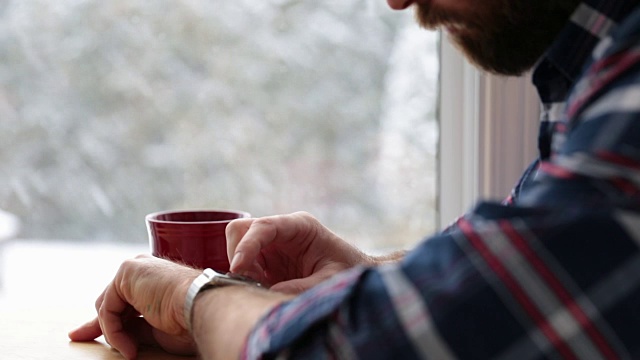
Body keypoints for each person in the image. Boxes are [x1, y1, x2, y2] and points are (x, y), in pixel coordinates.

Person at [69, 0, 640, 358]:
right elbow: (520, 263)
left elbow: (359, 350)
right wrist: (363, 275)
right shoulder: (597, 81)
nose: (396, 2)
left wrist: (194, 297)